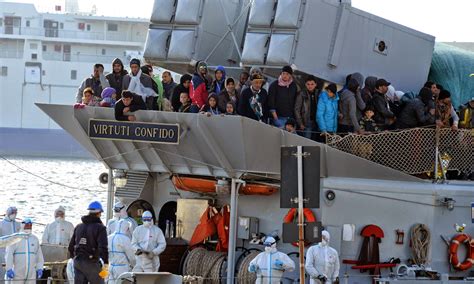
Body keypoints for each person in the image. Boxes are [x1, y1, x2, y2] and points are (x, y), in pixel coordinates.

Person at [68, 201, 108, 284]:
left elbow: (70, 247)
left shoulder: (79, 226)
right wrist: (106, 263)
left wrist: (74, 257)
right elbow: (103, 247)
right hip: (92, 262)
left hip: (78, 262)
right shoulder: (100, 228)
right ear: (99, 213)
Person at [5, 218, 44, 284]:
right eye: (27, 225)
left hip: (31, 274)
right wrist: (9, 268)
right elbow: (9, 254)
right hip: (17, 274)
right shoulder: (15, 238)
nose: (29, 227)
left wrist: (39, 268)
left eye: (30, 225)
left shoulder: (34, 239)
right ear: (22, 225)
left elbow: (39, 255)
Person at [107, 220, 135, 284]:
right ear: (126, 228)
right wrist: (134, 265)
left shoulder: (109, 238)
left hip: (111, 267)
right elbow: (131, 257)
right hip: (122, 268)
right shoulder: (125, 239)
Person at [0, 207, 21, 279]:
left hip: (15, 251)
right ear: (8, 214)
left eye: (16, 213)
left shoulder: (18, 224)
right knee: (3, 272)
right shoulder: (1, 224)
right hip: (3, 252)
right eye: (13, 213)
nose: (14, 215)